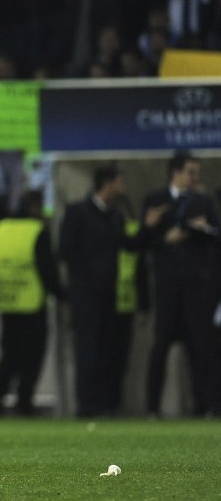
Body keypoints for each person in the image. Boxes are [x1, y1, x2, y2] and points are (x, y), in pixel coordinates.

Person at [59, 166, 161, 417]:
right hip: (86, 295)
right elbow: (64, 250)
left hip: (108, 295)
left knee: (107, 350)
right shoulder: (78, 212)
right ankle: (86, 405)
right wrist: (86, 276)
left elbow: (129, 245)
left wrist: (147, 228)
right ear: (108, 183)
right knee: (88, 349)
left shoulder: (114, 217)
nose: (124, 187)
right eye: (120, 181)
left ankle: (104, 404)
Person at [142, 151, 221, 417]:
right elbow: (142, 243)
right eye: (190, 172)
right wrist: (159, 235)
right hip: (166, 286)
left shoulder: (203, 202)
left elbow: (216, 238)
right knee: (161, 345)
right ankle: (153, 407)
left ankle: (203, 405)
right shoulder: (156, 201)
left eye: (196, 173)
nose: (194, 178)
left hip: (196, 287)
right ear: (174, 173)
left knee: (199, 347)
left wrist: (205, 228)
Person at [0, 190, 62, 416]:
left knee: (8, 354)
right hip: (32, 304)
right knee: (32, 357)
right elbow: (47, 270)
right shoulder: (37, 231)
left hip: (6, 302)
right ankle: (24, 401)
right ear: (35, 208)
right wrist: (62, 294)